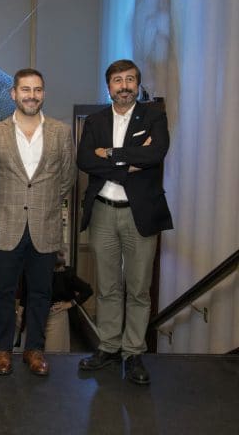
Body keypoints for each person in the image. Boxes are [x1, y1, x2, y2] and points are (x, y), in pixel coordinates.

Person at [77, 59, 172, 385]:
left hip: (139, 213)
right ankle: (108, 347)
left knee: (138, 288)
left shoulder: (154, 116)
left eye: (130, 79)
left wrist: (110, 154)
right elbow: (85, 159)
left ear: (137, 84)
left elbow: (156, 153)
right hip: (103, 210)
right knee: (107, 286)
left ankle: (133, 352)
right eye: (118, 80)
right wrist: (130, 158)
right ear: (109, 87)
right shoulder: (95, 120)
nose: (124, 85)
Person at [0, 68, 74, 376]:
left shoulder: (61, 132)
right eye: (26, 89)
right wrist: (7, 203)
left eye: (37, 90)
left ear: (43, 93)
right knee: (4, 291)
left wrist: (41, 204)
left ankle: (34, 350)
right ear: (14, 94)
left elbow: (67, 179)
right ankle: (3, 349)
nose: (32, 95)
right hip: (7, 226)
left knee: (41, 293)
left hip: (44, 227)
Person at [44, 252, 93, 352]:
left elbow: (87, 290)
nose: (61, 269)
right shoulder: (40, 274)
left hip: (59, 315)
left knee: (53, 352)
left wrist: (70, 303)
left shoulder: (67, 275)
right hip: (41, 315)